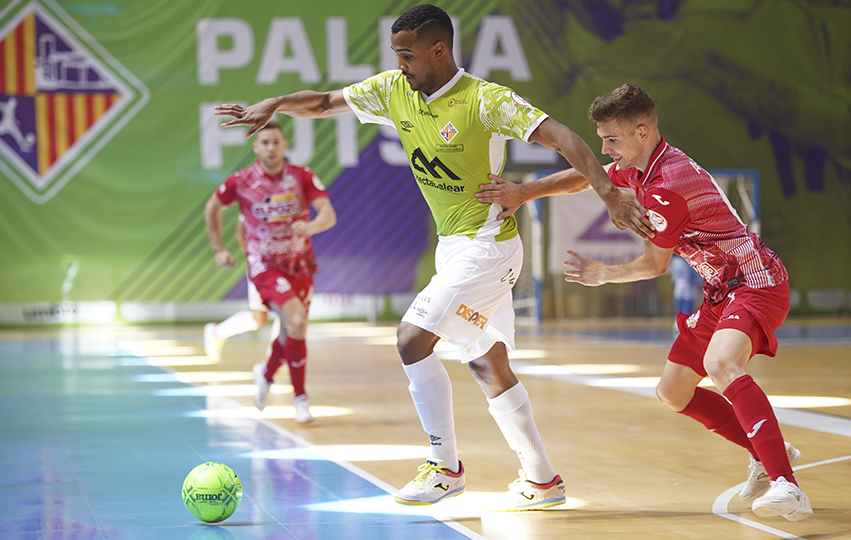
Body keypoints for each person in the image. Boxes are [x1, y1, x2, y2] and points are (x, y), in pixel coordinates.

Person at [214, 3, 648, 510]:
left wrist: (608, 193)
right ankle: (542, 480)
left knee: (411, 337)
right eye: (395, 54)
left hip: (488, 247)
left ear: (438, 50)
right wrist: (278, 102)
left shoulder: (486, 101)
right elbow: (324, 103)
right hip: (454, 250)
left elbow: (566, 139)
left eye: (408, 54)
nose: (400, 63)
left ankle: (445, 467)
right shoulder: (392, 90)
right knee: (488, 364)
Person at [477, 84, 812, 521]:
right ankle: (765, 450)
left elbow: (655, 265)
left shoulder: (668, 184)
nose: (604, 148)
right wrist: (526, 192)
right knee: (672, 392)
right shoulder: (640, 167)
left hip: (755, 281)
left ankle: (788, 485)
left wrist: (605, 273)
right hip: (720, 289)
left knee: (722, 364)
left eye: (611, 140)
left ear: (642, 131)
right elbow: (587, 176)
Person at [204, 120, 336, 425]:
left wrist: (313, 226)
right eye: (265, 142)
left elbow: (328, 213)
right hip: (264, 267)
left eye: (276, 142)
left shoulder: (302, 177)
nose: (271, 148)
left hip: (300, 265)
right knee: (294, 319)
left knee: (292, 327)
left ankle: (264, 375)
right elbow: (213, 209)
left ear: (285, 145)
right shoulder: (242, 181)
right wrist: (218, 249)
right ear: (256, 147)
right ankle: (300, 397)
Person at [204, 218, 280, 362]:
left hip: (284, 263)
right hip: (262, 265)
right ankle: (217, 332)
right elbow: (240, 227)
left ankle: (275, 359)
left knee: (282, 312)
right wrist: (251, 256)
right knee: (260, 318)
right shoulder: (256, 198)